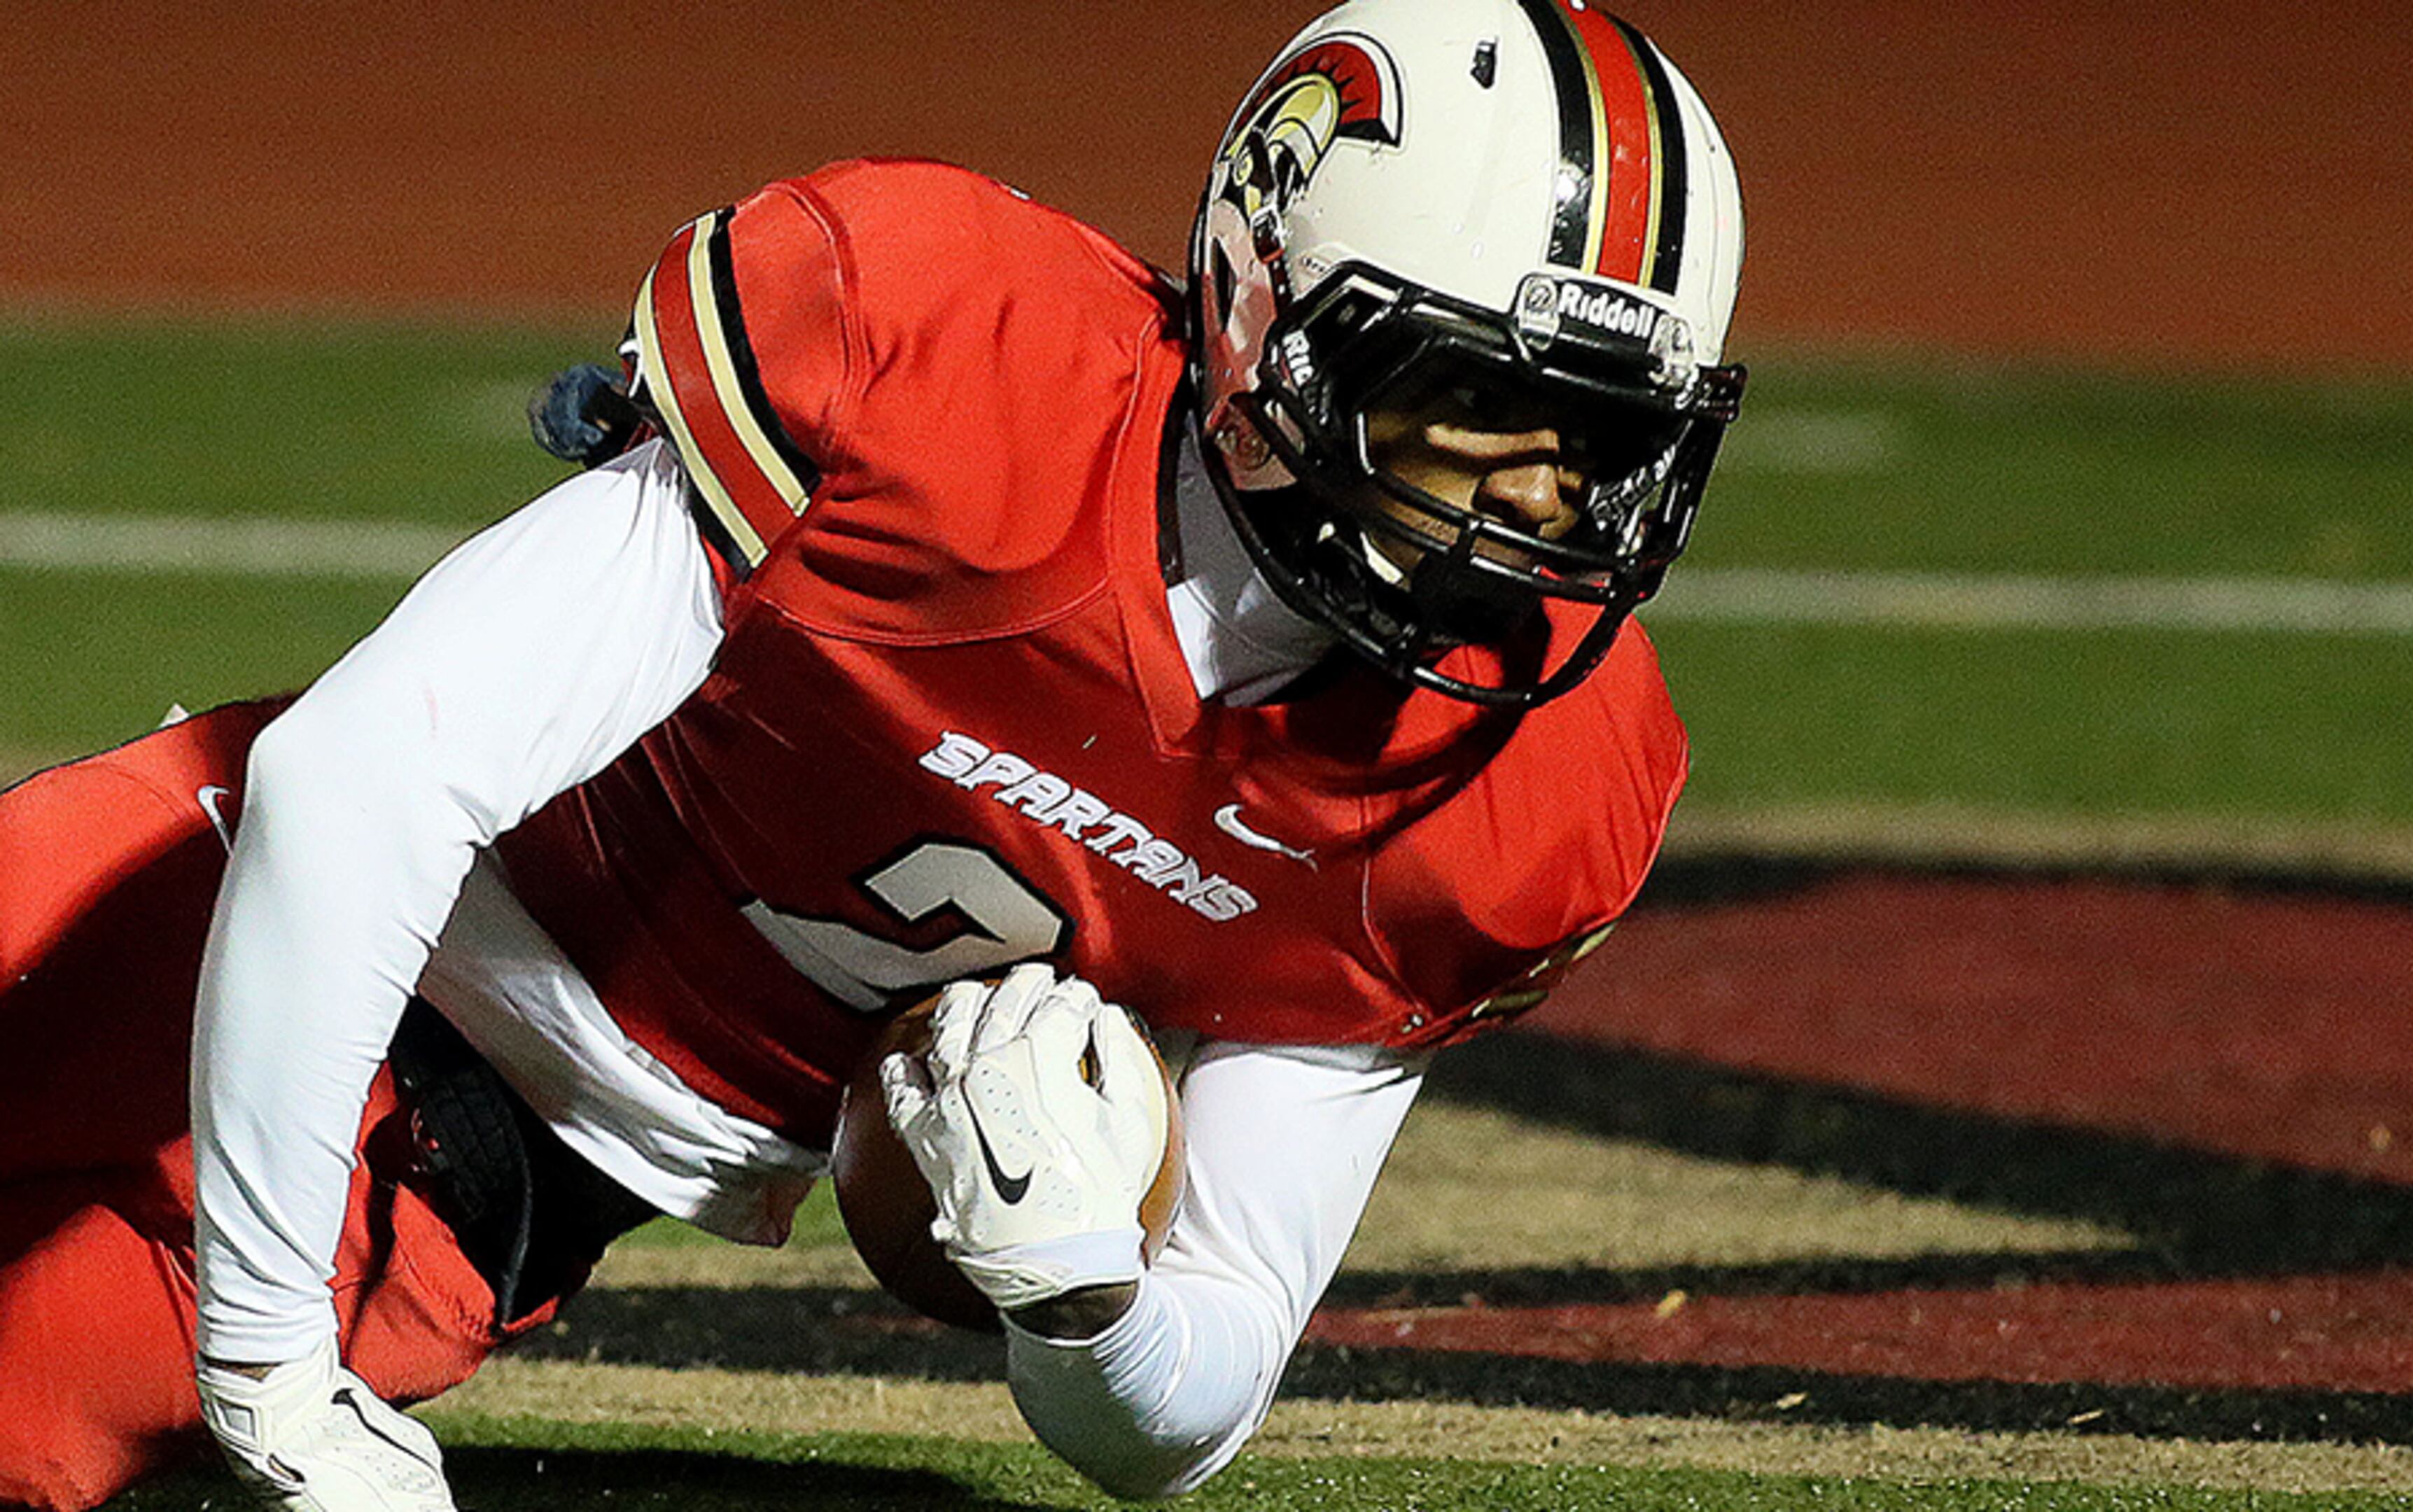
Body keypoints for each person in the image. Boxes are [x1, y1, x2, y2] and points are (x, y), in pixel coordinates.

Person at [0, 0, 1744, 1505]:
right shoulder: (954, 352)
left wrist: (1084, 1302)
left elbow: (1186, 1410)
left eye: (1605, 445)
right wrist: (268, 1364)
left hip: (478, 1189)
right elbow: (357, 783)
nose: (1541, 498)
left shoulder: (1522, 792)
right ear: (1261, 302)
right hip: (239, 898)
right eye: (1473, 403)